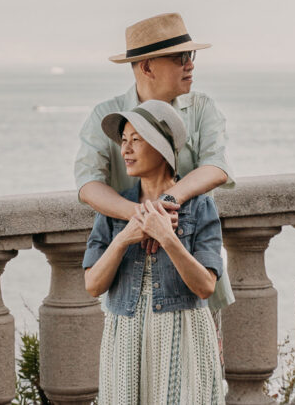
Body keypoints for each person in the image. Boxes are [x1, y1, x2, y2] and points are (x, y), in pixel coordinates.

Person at [74, 12, 235, 310]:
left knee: (204, 356)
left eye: (191, 54)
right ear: (147, 66)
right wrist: (143, 217)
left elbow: (216, 168)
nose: (191, 64)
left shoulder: (202, 108)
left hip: (195, 279)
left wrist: (165, 202)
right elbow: (88, 185)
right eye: (180, 57)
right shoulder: (105, 115)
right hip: (130, 286)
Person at [83, 99, 226, 404]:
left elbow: (205, 287)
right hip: (125, 335)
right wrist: (125, 237)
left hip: (183, 333)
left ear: (161, 148)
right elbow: (93, 285)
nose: (126, 150)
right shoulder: (113, 209)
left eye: (136, 140)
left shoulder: (200, 207)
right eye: (124, 140)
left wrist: (167, 237)